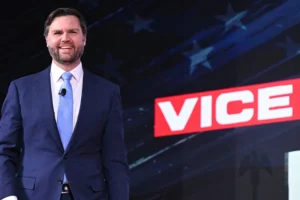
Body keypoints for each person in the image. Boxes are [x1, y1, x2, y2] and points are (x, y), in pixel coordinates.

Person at [0, 7, 130, 200]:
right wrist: (8, 196)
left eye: (73, 32)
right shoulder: (21, 89)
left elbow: (115, 160)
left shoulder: (107, 93)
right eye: (58, 33)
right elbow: (4, 150)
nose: (65, 38)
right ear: (47, 40)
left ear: (84, 39)